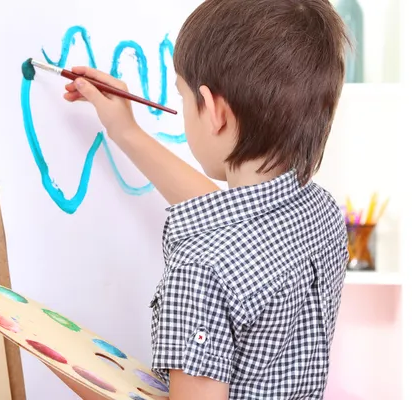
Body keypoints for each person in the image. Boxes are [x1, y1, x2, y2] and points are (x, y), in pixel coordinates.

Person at [63, 0, 350, 398]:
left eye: (182, 97)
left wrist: (71, 374)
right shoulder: (319, 212)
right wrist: (126, 132)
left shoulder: (201, 270)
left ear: (214, 111)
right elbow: (228, 218)